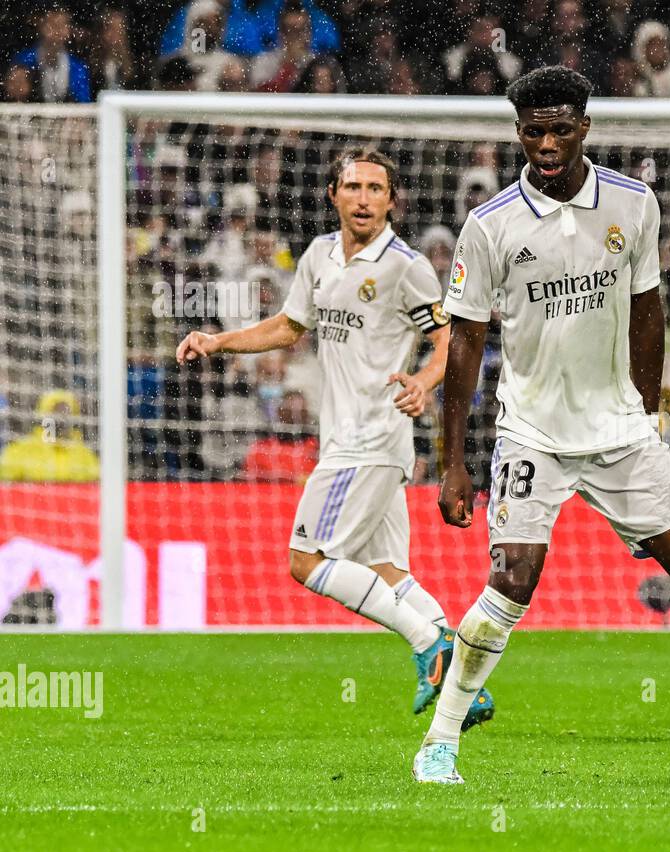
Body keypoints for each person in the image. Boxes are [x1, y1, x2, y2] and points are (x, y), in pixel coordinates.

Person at [418, 66, 670, 785]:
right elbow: (465, 342)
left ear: (584, 127)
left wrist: (648, 412)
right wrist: (452, 461)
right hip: (532, 429)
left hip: (620, 429)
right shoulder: (490, 224)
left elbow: (649, 310)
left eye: (560, 128)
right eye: (533, 130)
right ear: (519, 134)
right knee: (511, 583)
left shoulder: (634, 203)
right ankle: (440, 741)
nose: (546, 143)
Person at [177, 148, 493, 724]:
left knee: (305, 559)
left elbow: (452, 342)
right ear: (334, 194)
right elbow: (288, 327)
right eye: (354, 187)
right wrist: (219, 341)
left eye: (376, 188)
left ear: (393, 200)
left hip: (369, 439)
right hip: (354, 441)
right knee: (388, 573)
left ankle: (430, 646)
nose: (365, 198)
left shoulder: (405, 266)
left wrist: (423, 382)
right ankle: (468, 683)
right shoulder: (320, 255)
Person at [0, 390, 100, 482]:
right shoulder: (21, 450)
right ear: (43, 416)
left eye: (66, 413)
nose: (61, 419)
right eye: (55, 412)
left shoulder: (84, 454)